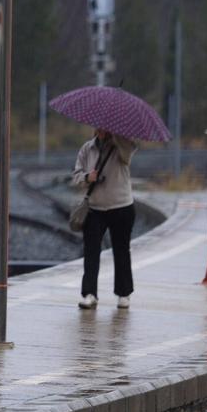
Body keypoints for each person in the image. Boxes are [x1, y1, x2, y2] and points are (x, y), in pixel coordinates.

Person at [72, 128, 137, 309]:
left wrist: (118, 137)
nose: (101, 129)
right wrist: (87, 177)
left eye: (105, 125)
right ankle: (89, 293)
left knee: (121, 250)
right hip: (95, 208)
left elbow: (128, 156)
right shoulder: (87, 149)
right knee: (91, 251)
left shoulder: (124, 144)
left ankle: (124, 294)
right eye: (98, 125)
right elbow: (76, 176)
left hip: (121, 206)